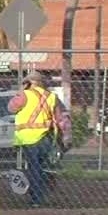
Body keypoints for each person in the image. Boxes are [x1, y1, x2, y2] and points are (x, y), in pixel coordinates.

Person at [7, 71, 70, 207]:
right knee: (41, 167)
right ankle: (42, 191)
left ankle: (36, 198)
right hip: (46, 137)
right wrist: (64, 137)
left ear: (28, 83)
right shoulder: (51, 97)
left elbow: (11, 108)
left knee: (33, 169)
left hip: (29, 138)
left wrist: (20, 91)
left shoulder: (25, 95)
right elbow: (60, 118)